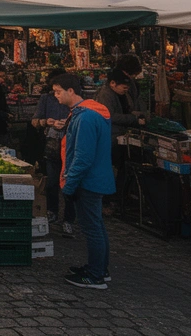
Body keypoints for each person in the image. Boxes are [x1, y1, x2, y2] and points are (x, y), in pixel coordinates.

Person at [54, 73, 115, 289]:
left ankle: (96, 275)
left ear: (71, 91)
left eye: (58, 91)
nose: (56, 96)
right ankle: (100, 268)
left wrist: (69, 186)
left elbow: (82, 157)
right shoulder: (87, 113)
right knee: (96, 225)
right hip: (95, 178)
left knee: (92, 228)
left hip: (88, 181)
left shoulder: (86, 117)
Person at [93, 69, 145, 209]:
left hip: (118, 136)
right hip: (110, 138)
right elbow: (110, 115)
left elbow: (125, 110)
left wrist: (137, 114)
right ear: (113, 83)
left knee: (123, 166)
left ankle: (119, 196)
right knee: (113, 168)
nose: (125, 90)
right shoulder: (105, 95)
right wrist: (133, 119)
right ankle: (109, 200)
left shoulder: (120, 94)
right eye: (124, 87)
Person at [32, 82, 76, 237]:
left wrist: (68, 123)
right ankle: (52, 212)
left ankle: (69, 220)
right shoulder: (46, 99)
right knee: (52, 182)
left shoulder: (76, 103)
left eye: (59, 91)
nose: (56, 95)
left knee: (69, 184)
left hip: (70, 147)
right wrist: (47, 122)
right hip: (52, 145)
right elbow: (35, 121)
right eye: (55, 91)